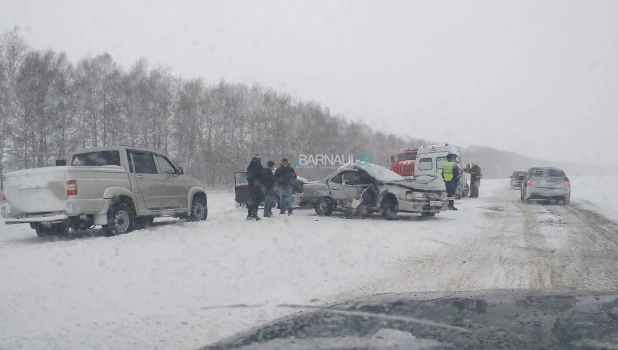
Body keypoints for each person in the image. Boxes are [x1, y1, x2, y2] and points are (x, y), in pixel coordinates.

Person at [246, 154, 265, 220]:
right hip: (257, 187)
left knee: (252, 200)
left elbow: (248, 177)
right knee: (256, 201)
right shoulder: (259, 167)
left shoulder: (249, 166)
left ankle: (249, 214)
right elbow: (262, 176)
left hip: (251, 186)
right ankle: (254, 214)